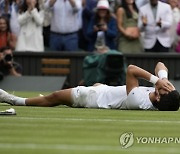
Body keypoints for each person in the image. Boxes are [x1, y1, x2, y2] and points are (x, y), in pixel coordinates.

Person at [0, 62, 179, 111]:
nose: (164, 87)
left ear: (158, 97)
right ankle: (40, 100)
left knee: (53, 97)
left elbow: (131, 70)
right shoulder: (161, 100)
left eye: (164, 90)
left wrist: (156, 81)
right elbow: (161, 64)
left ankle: (13, 100)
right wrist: (164, 79)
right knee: (50, 99)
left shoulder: (138, 101)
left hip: (90, 98)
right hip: (103, 90)